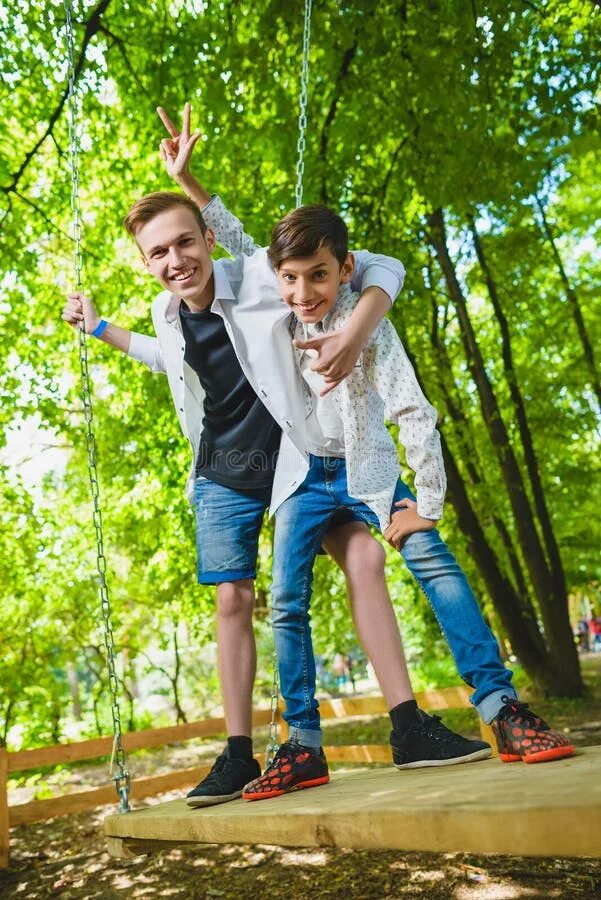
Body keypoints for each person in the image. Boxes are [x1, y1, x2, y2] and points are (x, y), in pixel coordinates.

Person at [62, 103, 488, 810]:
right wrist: (99, 325)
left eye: (183, 243)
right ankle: (237, 754)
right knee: (235, 597)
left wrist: (356, 326)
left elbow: (376, 262)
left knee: (365, 557)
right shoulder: (169, 316)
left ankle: (407, 723)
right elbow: (157, 355)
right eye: (157, 254)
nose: (175, 261)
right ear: (146, 265)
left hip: (299, 450)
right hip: (229, 467)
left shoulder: (261, 277)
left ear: (205, 236)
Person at [192, 202, 575, 800]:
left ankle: (501, 708)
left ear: (345, 269)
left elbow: (413, 410)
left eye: (319, 274)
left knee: (432, 558)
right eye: (290, 277)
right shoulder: (274, 305)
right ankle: (303, 745)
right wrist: (191, 185)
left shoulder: (366, 321)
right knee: (288, 600)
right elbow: (242, 243)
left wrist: (427, 500)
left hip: (364, 469)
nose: (303, 291)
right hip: (297, 477)